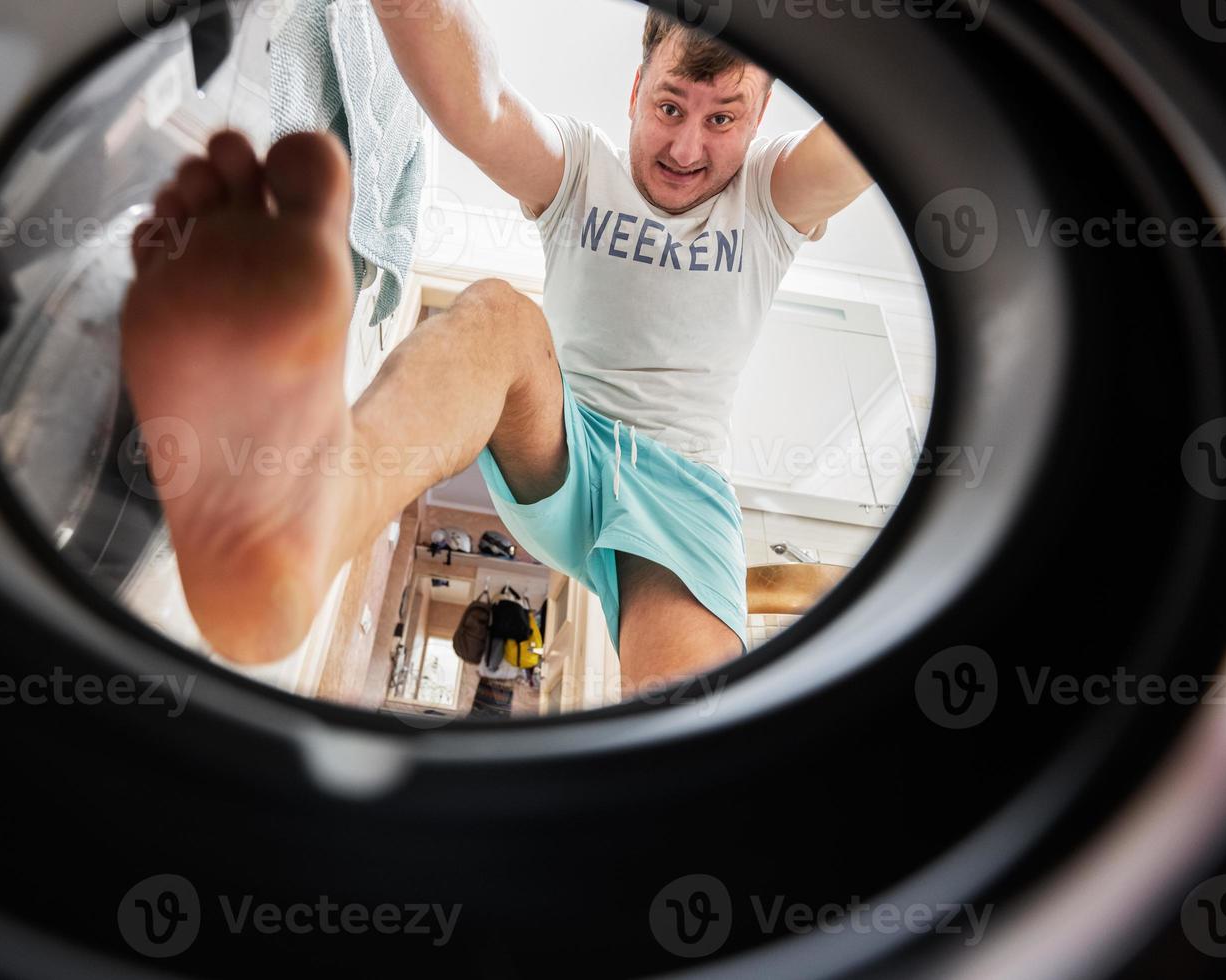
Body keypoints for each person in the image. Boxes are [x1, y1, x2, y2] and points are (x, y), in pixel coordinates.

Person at [119, 4, 874, 694]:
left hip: (684, 497)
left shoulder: (773, 199)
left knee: (698, 726)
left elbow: (884, 117)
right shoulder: (582, 170)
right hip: (560, 441)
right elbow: (477, 105)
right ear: (636, 90)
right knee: (500, 315)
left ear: (761, 115)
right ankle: (295, 535)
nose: (685, 145)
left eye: (722, 120)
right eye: (670, 105)